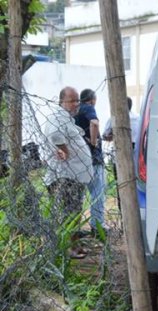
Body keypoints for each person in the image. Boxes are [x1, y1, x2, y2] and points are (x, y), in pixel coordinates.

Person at [42, 86, 93, 258]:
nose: (76, 104)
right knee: (68, 214)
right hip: (64, 176)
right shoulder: (57, 116)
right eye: (72, 100)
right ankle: (68, 248)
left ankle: (75, 246)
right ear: (61, 101)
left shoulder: (67, 119)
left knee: (74, 213)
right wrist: (65, 150)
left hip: (74, 176)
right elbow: (56, 135)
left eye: (77, 100)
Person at [75, 88, 106, 235]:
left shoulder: (75, 111)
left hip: (78, 160)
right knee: (97, 194)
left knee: (78, 196)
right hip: (93, 160)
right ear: (93, 99)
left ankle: (75, 229)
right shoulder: (88, 108)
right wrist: (94, 142)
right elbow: (94, 123)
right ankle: (97, 227)